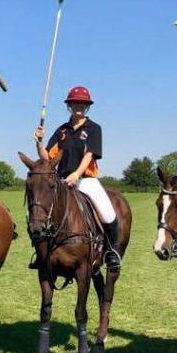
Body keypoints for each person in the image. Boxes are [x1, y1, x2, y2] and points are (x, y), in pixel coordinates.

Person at [32, 86, 122, 270]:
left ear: (87, 106)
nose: (78, 106)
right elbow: (47, 157)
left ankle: (111, 252)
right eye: (75, 103)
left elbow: (90, 155)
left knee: (108, 214)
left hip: (86, 180)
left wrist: (76, 174)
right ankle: (41, 254)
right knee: (40, 212)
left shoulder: (94, 128)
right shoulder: (62, 131)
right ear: (69, 105)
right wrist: (38, 142)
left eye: (82, 103)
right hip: (61, 180)